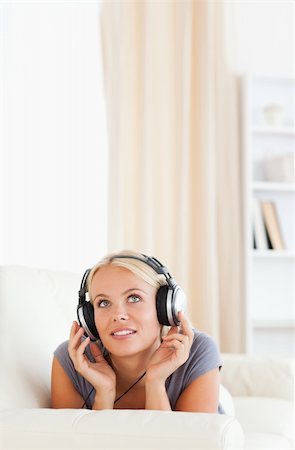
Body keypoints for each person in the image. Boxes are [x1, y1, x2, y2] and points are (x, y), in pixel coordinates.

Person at [51, 250, 223, 412]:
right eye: (103, 303)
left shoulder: (198, 351)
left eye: (134, 298)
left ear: (164, 307)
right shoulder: (72, 361)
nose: (118, 315)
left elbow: (180, 443)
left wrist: (156, 383)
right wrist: (104, 394)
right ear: (88, 317)